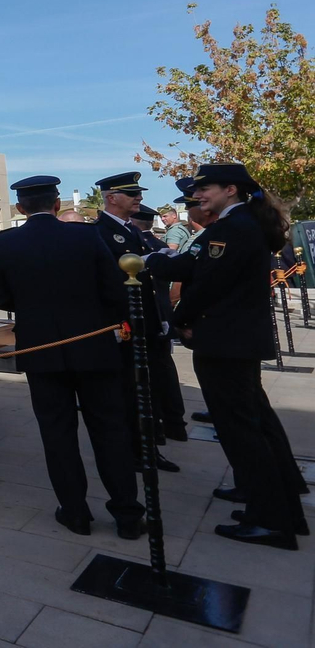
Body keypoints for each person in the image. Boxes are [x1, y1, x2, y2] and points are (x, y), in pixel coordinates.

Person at [147, 163, 307, 549]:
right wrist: (156, 261)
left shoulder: (235, 227)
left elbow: (207, 283)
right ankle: (277, 503)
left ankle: (270, 520)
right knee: (252, 420)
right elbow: (196, 265)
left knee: (242, 430)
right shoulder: (240, 222)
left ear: (230, 190)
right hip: (234, 338)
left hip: (225, 339)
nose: (197, 195)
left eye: (205, 189)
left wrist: (181, 319)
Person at [0, 175, 144, 540]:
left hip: (42, 350)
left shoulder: (7, 242)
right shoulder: (86, 235)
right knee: (110, 430)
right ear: (57, 205)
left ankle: (75, 512)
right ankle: (126, 514)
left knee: (57, 433)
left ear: (21, 209)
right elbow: (114, 290)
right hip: (93, 345)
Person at [92, 172, 181, 473]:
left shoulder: (135, 232)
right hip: (124, 326)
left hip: (146, 323)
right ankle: (135, 451)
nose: (139, 199)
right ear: (112, 198)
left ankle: (149, 447)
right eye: (132, 195)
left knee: (147, 389)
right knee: (130, 392)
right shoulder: (100, 233)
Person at [132, 203, 188, 442]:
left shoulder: (138, 249)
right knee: (165, 368)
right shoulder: (161, 245)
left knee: (148, 374)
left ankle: (156, 426)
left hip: (147, 317)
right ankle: (175, 421)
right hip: (163, 314)